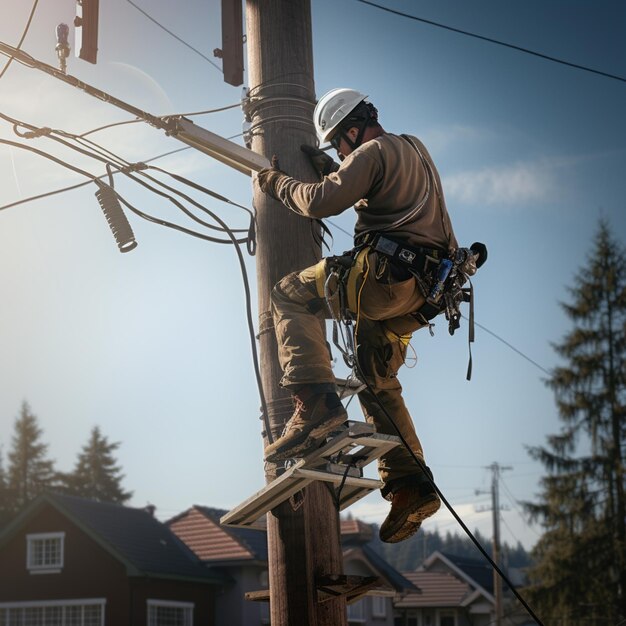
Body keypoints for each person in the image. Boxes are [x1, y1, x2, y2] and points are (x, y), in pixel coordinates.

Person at [255, 88, 465, 543]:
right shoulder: (413, 148)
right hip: (423, 296)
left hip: (384, 281)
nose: (340, 152)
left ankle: (316, 406)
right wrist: (336, 168)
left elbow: (317, 201)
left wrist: (274, 182)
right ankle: (410, 484)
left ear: (351, 130)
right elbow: (376, 191)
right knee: (376, 377)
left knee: (289, 295)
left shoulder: (370, 151)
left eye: (338, 145)